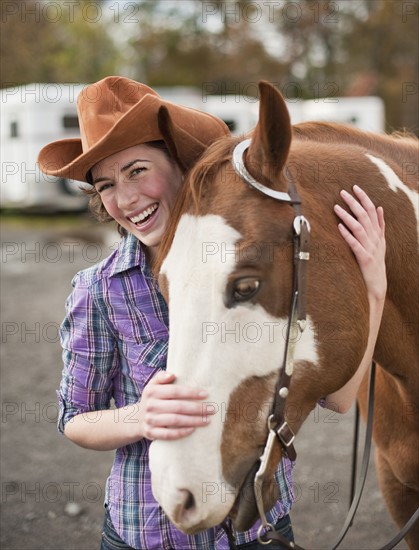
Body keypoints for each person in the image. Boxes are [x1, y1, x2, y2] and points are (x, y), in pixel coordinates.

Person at [38, 76, 386, 550]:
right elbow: (75, 418)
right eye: (106, 185)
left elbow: (340, 399)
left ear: (181, 165)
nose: (125, 198)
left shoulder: (250, 269)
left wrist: (374, 288)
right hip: (150, 532)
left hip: (259, 525)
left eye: (137, 170)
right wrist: (141, 417)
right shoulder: (100, 290)